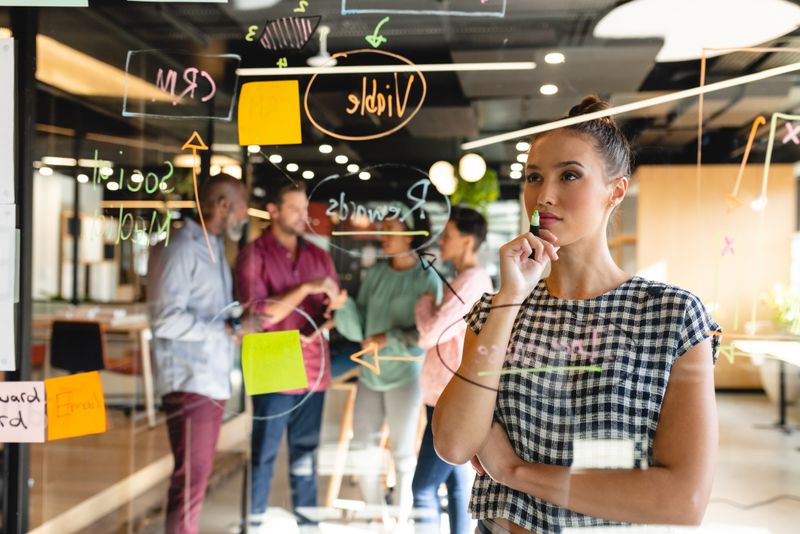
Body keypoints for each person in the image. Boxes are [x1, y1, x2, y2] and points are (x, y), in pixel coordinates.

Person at [433, 96, 721, 534]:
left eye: (569, 175)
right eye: (533, 177)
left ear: (616, 190)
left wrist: (514, 471)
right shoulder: (497, 309)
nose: (543, 195)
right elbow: (454, 444)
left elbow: (683, 499)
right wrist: (511, 297)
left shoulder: (672, 316)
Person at [235, 179, 347, 529]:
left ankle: (307, 526)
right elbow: (260, 315)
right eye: (295, 209)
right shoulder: (254, 254)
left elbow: (333, 308)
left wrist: (333, 311)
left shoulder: (318, 255)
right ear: (273, 211)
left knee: (306, 457)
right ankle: (253, 524)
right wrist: (306, 288)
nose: (304, 216)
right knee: (263, 456)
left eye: (304, 208)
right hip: (271, 362)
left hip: (314, 365)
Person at [148, 173, 250, 534]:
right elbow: (163, 320)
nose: (244, 215)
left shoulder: (212, 248)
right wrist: (226, 329)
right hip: (190, 380)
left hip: (209, 379)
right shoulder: (182, 247)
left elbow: (211, 314)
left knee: (195, 478)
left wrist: (235, 324)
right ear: (223, 206)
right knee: (190, 479)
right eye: (241, 207)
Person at [334, 206, 443, 527]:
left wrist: (389, 337)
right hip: (370, 373)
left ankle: (400, 517)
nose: (384, 236)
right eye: (383, 229)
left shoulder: (427, 276)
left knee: (403, 454)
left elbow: (428, 333)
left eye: (391, 229)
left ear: (410, 235)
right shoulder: (377, 273)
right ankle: (376, 513)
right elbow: (361, 329)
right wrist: (344, 308)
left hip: (406, 376)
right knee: (362, 449)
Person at [412, 206, 493, 534]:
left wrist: (423, 303)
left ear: (468, 241)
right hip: (444, 394)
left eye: (448, 236)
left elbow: (429, 333)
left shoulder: (472, 281)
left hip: (449, 398)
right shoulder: (463, 279)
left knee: (422, 489)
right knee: (457, 487)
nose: (440, 241)